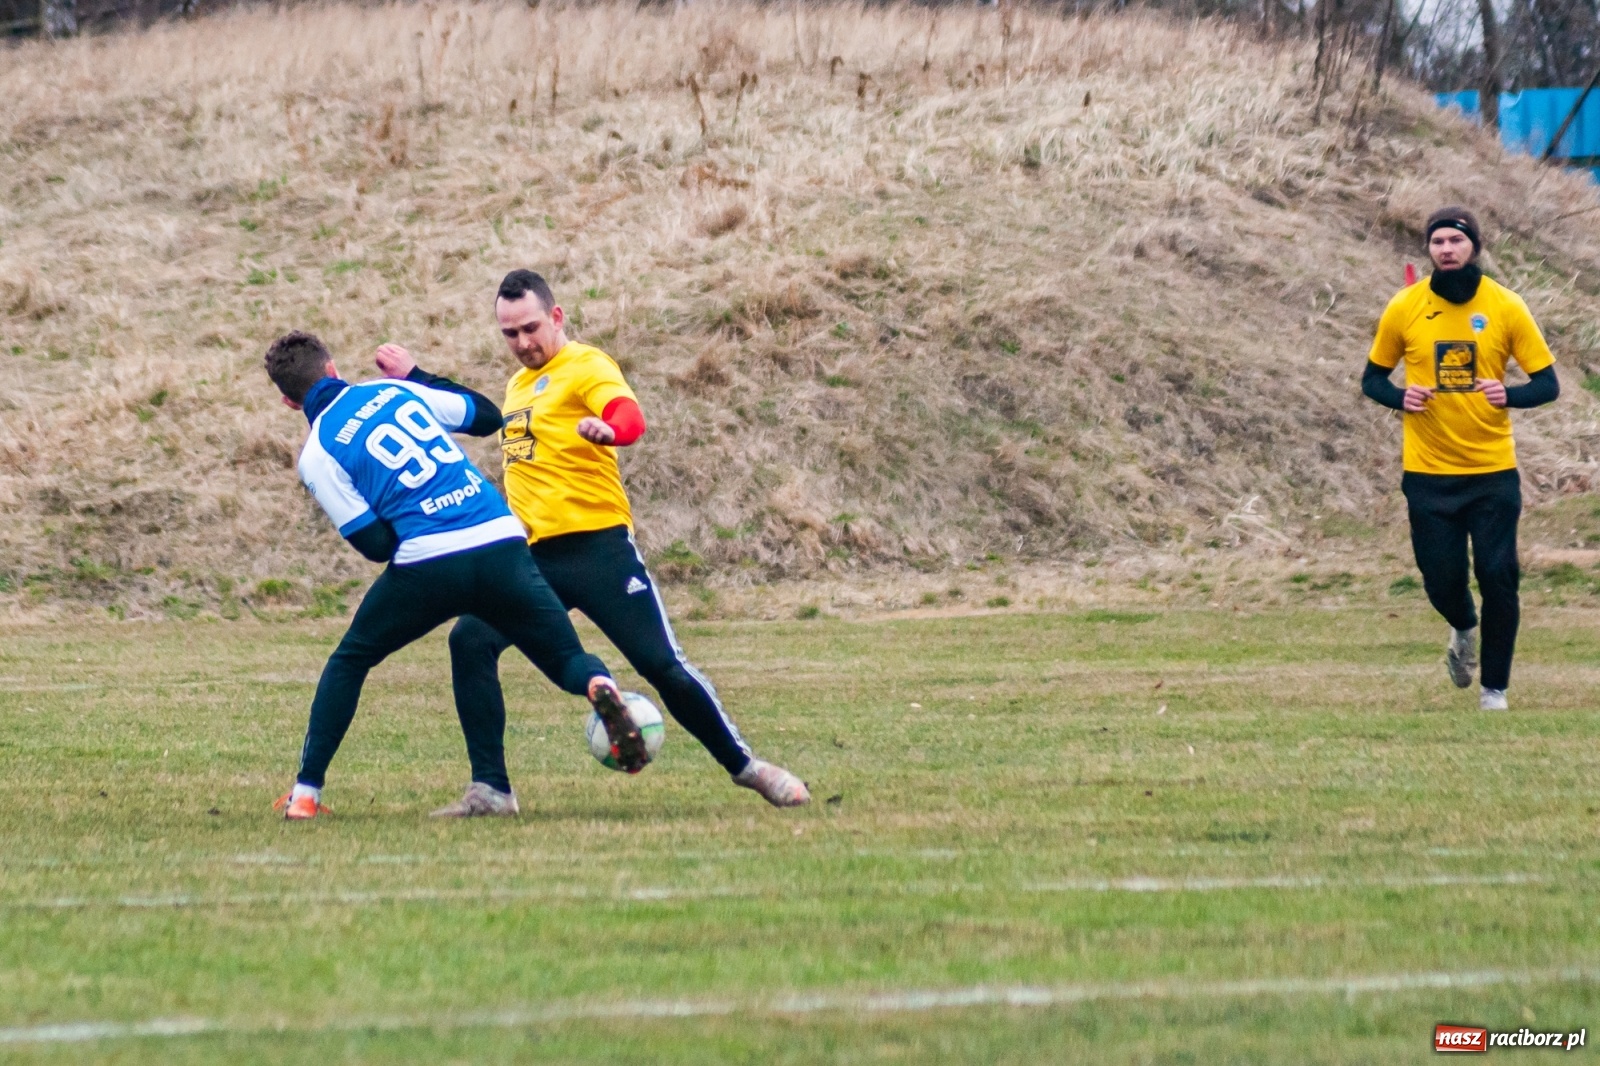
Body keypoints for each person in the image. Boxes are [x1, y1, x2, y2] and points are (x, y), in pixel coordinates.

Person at [426, 269, 809, 807]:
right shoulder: (517, 387)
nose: (522, 343)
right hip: (530, 561)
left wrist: (612, 431)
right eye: (509, 333)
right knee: (470, 640)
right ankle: (490, 790)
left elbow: (627, 415)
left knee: (662, 667)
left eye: (531, 328)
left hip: (597, 551)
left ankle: (749, 768)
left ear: (556, 317)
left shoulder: (586, 363)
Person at [263, 330, 651, 821]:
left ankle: (306, 794)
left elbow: (375, 545)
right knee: (564, 655)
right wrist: (415, 375)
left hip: (430, 559)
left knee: (350, 659)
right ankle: (598, 685)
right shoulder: (393, 391)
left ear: (287, 400)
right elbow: (488, 416)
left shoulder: (316, 456)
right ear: (334, 369)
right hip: (500, 539)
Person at [1361, 206, 1560, 711]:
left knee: (1498, 575)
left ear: (1474, 246)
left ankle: (1495, 691)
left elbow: (1547, 384)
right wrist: (1398, 396)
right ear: (1428, 250)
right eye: (1437, 242)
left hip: (1492, 472)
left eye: (1455, 240)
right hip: (1428, 474)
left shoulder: (1505, 305)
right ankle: (1463, 627)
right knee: (1443, 580)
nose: (1446, 249)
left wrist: (1507, 394)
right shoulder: (1405, 307)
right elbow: (1372, 379)